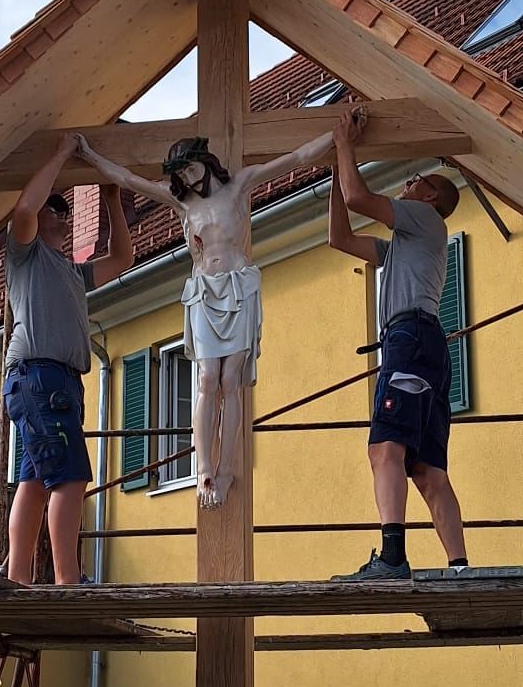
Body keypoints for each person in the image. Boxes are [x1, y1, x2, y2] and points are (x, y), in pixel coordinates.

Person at [75, 121, 337, 507]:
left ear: (206, 161)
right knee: (206, 380)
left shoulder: (239, 186)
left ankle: (227, 467)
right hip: (203, 291)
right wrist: (88, 154)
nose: (188, 178)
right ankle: (204, 468)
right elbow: (128, 178)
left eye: (191, 169)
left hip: (237, 288)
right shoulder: (181, 201)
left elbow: (296, 158)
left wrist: (336, 135)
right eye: (181, 174)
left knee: (232, 382)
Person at [327, 107, 467, 579]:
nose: (406, 186)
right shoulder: (406, 246)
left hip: (408, 339)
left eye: (413, 181)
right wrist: (335, 164)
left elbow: (358, 196)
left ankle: (392, 557)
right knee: (428, 470)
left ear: (428, 195)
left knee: (384, 449)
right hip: (427, 345)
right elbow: (340, 236)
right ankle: (459, 566)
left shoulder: (424, 219)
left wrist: (345, 144)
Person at [3, 132, 134, 584]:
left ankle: (18, 578)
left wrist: (113, 198)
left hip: (53, 384)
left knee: (37, 483)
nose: (63, 217)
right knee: (72, 478)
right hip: (40, 378)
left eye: (66, 211)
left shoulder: (72, 272)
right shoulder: (25, 254)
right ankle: (68, 581)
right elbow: (23, 210)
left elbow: (121, 257)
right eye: (55, 210)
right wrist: (62, 153)